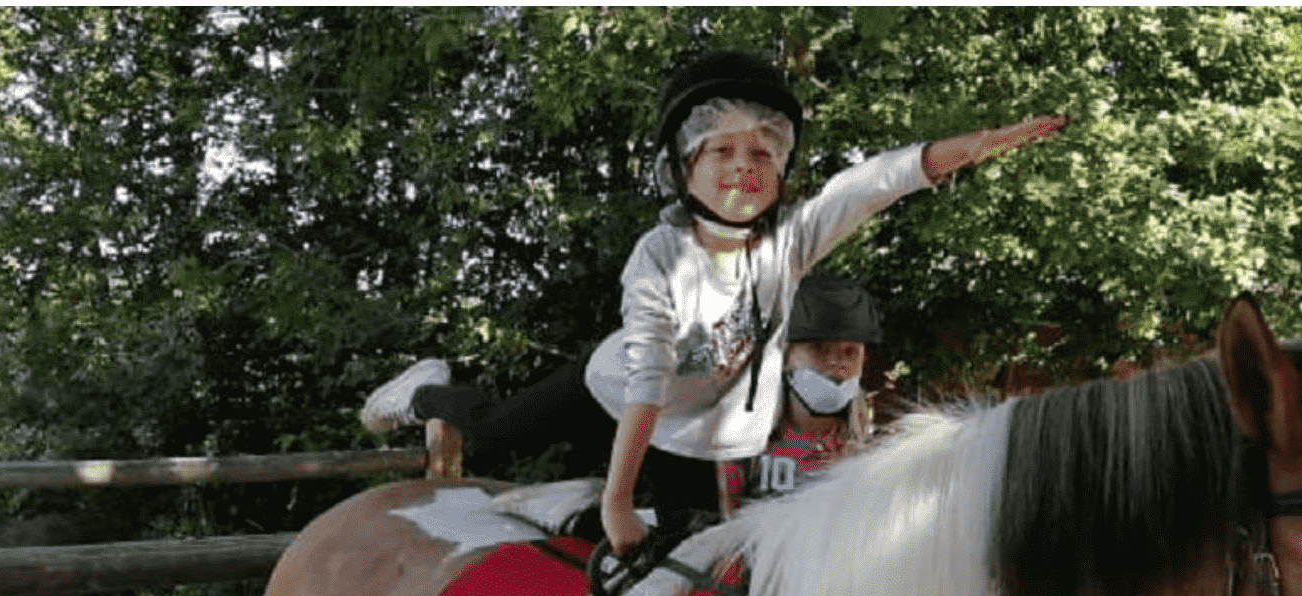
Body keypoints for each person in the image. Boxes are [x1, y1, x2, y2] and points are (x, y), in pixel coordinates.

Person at [361, 48, 1065, 555]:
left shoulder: (788, 242)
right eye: (721, 152)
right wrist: (613, 499)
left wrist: (973, 147)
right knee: (495, 435)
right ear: (683, 170)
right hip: (616, 390)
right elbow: (645, 384)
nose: (742, 168)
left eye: (761, 155)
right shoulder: (661, 259)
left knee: (688, 554)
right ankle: (427, 394)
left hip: (692, 427)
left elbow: (868, 185)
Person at [720, 273, 880, 513]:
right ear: (784, 355)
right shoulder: (743, 442)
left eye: (850, 352)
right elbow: (717, 532)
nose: (836, 363)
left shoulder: (863, 451)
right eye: (818, 348)